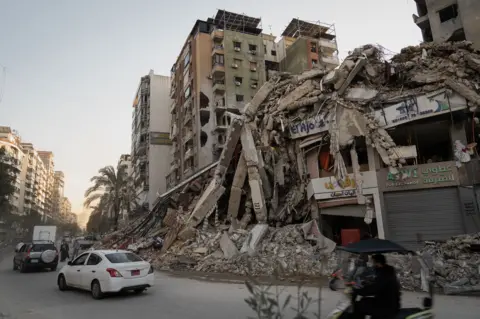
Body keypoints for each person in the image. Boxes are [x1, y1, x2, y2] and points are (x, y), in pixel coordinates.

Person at [351, 254, 401, 319]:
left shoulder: (385, 274)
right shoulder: (387, 271)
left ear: (378, 262)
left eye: (373, 262)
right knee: (364, 300)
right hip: (386, 302)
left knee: (359, 305)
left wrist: (357, 291)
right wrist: (367, 283)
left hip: (387, 306)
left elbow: (375, 288)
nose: (372, 264)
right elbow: (378, 283)